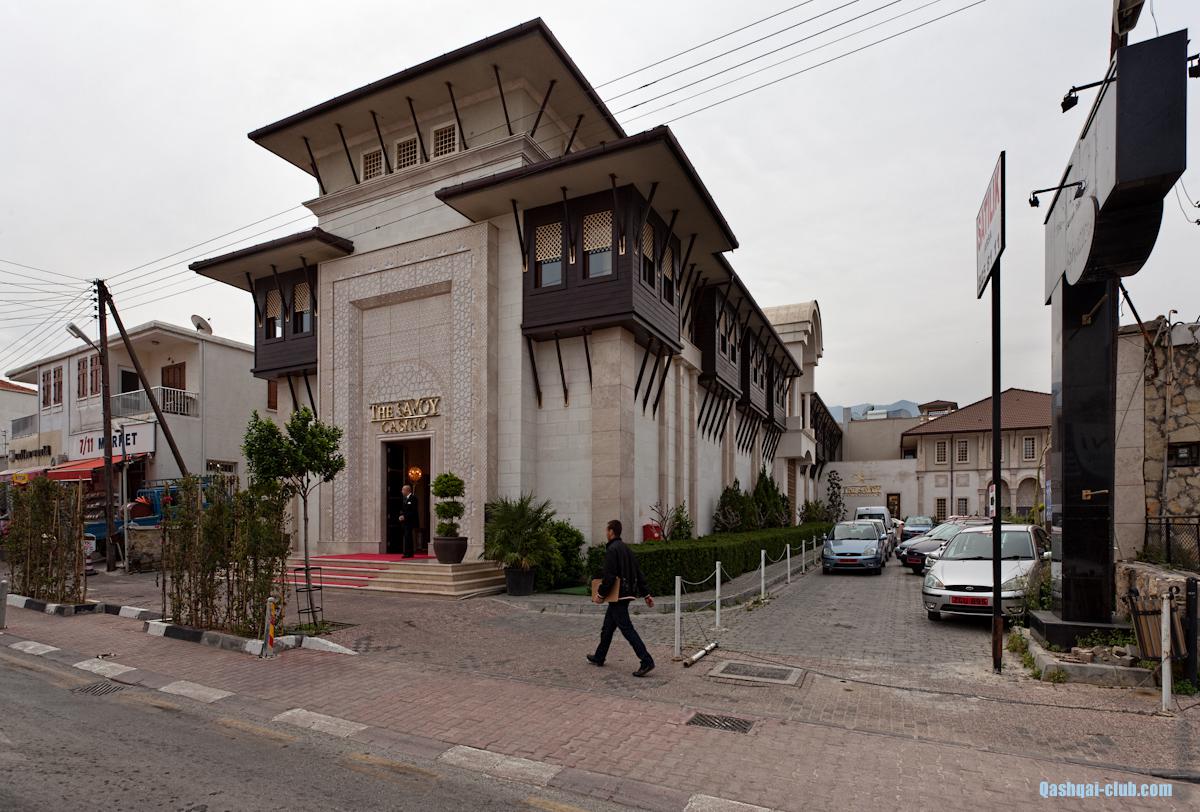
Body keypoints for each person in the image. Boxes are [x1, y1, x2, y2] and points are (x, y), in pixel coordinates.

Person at [588, 519, 656, 677]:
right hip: (626, 593)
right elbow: (638, 573)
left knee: (627, 629)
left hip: (618, 596)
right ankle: (599, 656)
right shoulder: (627, 549)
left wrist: (600, 595)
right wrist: (646, 594)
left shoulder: (612, 549)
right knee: (607, 627)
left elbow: (609, 576)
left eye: (607, 530)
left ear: (611, 531)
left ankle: (646, 661)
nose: (606, 533)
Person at [399, 484, 419, 558]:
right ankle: (408, 553)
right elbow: (404, 510)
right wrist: (401, 515)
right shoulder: (405, 498)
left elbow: (413, 511)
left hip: (410, 521)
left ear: (407, 490)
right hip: (405, 522)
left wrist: (405, 516)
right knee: (407, 537)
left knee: (408, 537)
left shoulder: (413, 498)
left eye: (403, 490)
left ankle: (408, 553)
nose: (402, 491)